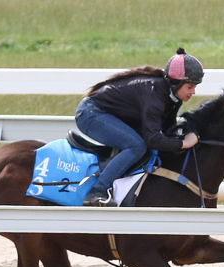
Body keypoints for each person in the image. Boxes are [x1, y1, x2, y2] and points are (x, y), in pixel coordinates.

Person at [75, 48, 203, 207]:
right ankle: (97, 191)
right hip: (90, 114)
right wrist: (184, 143)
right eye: (190, 87)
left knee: (141, 145)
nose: (193, 92)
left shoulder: (173, 97)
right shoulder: (154, 95)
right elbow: (153, 139)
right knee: (136, 146)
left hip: (109, 114)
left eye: (195, 87)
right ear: (176, 83)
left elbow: (166, 131)